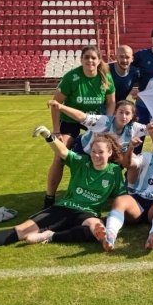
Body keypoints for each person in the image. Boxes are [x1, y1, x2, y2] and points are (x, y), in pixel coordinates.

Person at [0, 131, 125, 254]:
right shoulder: (82, 162)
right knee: (21, 231)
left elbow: (120, 198)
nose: (96, 155)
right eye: (93, 151)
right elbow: (63, 151)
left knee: (97, 230)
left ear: (109, 152)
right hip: (64, 208)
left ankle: (50, 236)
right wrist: (48, 136)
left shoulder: (114, 172)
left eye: (100, 152)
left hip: (87, 213)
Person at [44, 45, 115, 208]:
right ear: (81, 59)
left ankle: (103, 192)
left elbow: (111, 102)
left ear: (98, 61)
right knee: (61, 155)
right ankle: (49, 197)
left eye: (93, 58)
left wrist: (108, 123)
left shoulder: (105, 77)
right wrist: (56, 131)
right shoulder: (71, 77)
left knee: (105, 153)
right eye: (86, 57)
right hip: (70, 120)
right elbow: (55, 104)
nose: (90, 60)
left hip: (94, 121)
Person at [101, 128, 153, 251]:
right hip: (138, 202)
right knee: (120, 200)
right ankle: (109, 236)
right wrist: (130, 148)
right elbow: (128, 164)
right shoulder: (148, 157)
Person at [47, 99, 148, 157]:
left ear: (132, 116)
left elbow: (152, 130)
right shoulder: (103, 121)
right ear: (115, 113)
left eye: (127, 113)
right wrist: (60, 107)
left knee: (134, 161)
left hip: (106, 155)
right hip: (84, 150)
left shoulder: (134, 127)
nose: (124, 116)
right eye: (121, 112)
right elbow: (82, 116)